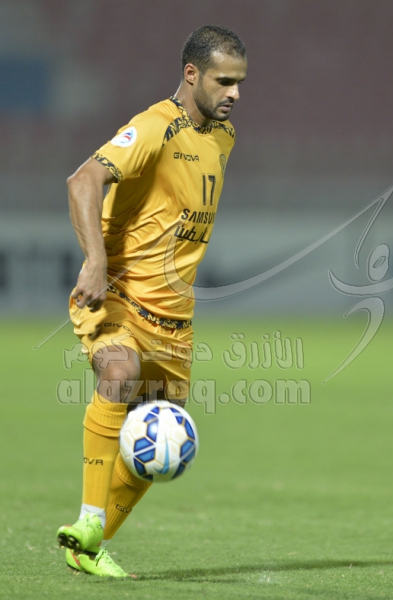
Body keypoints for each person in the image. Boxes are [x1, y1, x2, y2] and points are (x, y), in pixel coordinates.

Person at [56, 25, 247, 578]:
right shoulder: (154, 127)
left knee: (161, 440)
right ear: (192, 74)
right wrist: (95, 260)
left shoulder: (224, 138)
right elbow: (82, 181)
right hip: (116, 295)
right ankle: (89, 520)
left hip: (173, 320)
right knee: (120, 371)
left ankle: (89, 547)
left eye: (240, 82)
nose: (235, 93)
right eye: (224, 81)